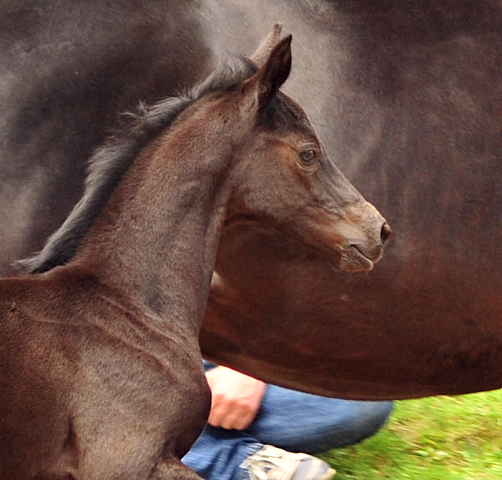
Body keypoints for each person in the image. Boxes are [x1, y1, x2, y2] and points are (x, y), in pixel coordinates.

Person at [182, 362, 393, 480]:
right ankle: (240, 465)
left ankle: (185, 448)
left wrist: (246, 367)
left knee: (363, 404)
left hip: (211, 365)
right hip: (156, 378)